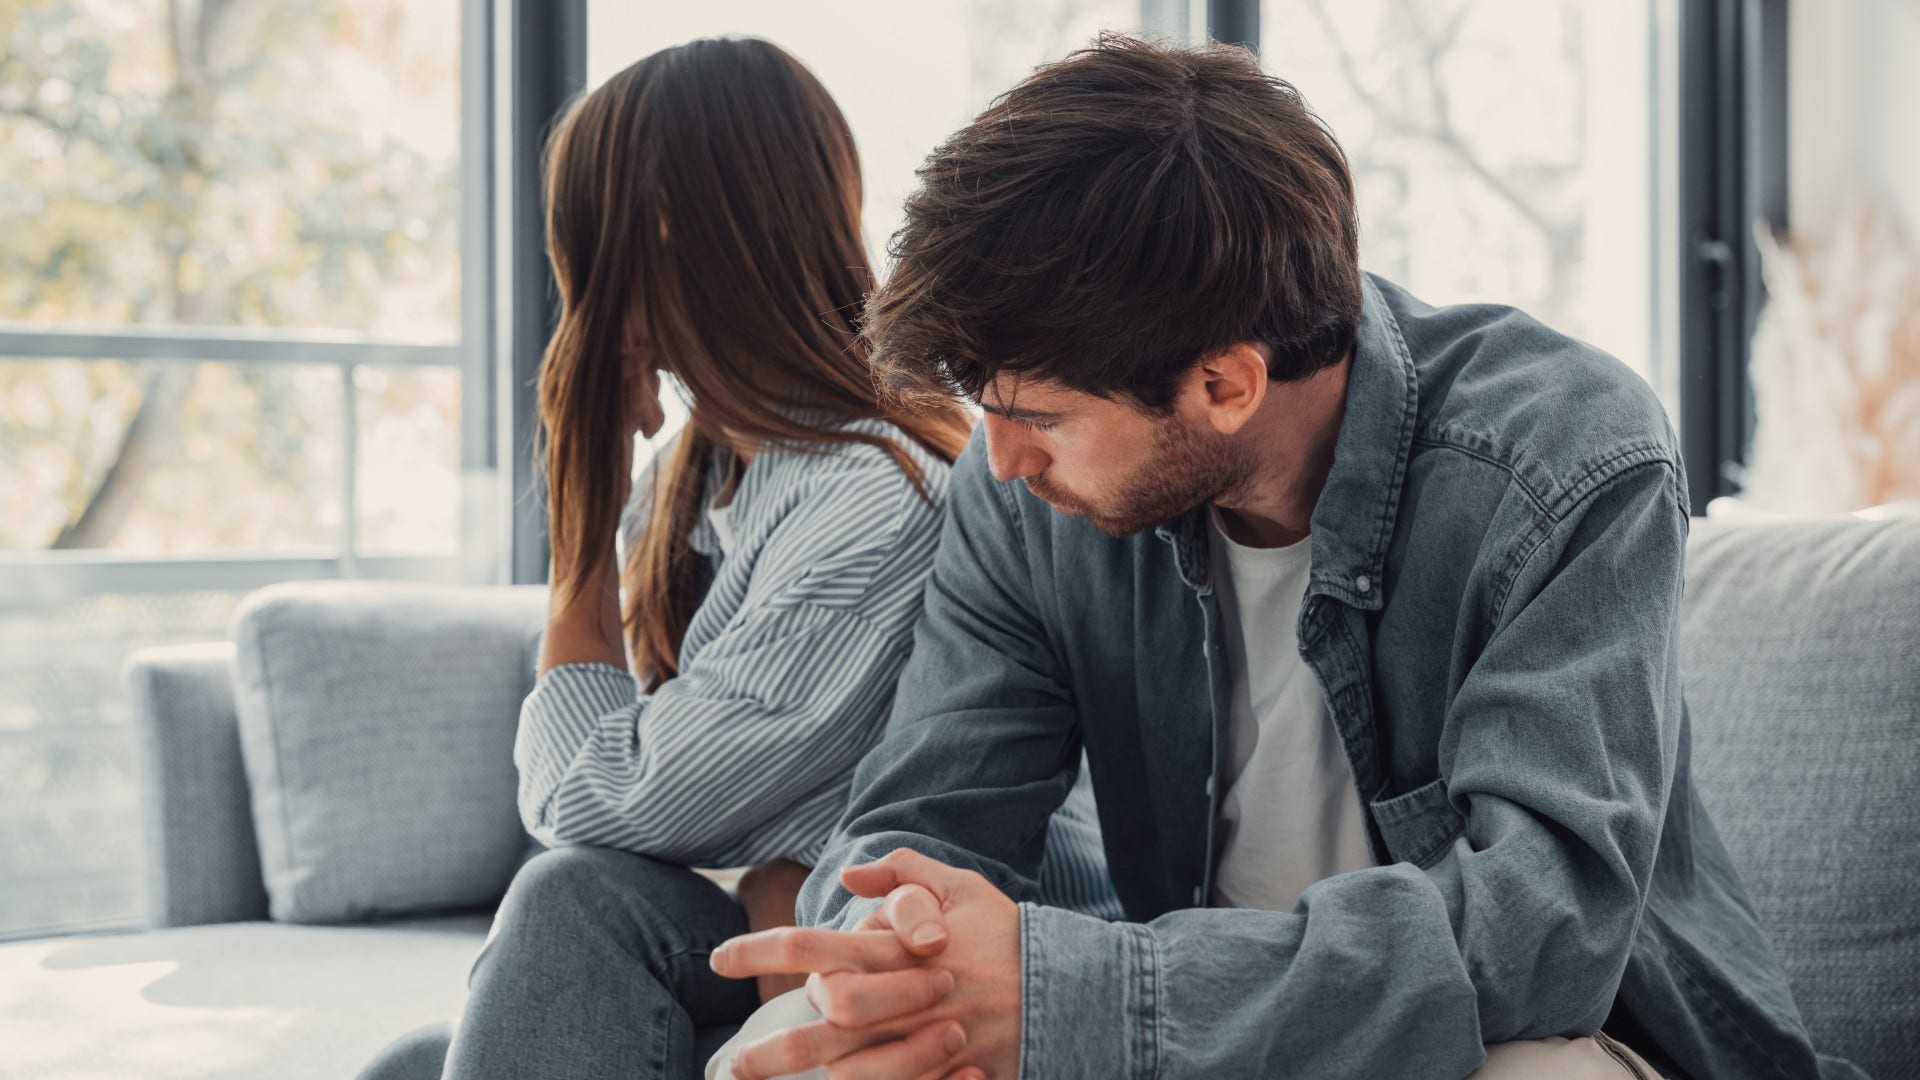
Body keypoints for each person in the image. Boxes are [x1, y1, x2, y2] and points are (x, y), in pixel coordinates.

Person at [706, 36, 1864, 1080]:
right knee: (795, 1052)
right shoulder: (1021, 503)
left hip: (1550, 1041)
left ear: (1226, 383)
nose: (1000, 462)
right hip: (1200, 1040)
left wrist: (1090, 997)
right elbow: (923, 814)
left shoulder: (1564, 455)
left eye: (1040, 416)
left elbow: (1538, 938)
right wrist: (896, 964)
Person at [357, 37, 1118, 1080]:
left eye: (579, 238)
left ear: (660, 231)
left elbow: (596, 800)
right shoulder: (697, 478)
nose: (568, 281)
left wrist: (578, 526)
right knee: (410, 1065)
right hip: (805, 950)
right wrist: (771, 877)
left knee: (572, 900)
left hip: (950, 982)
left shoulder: (870, 501)